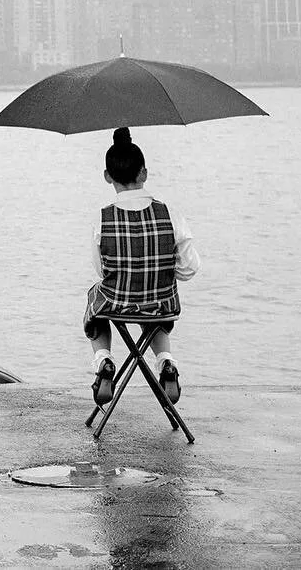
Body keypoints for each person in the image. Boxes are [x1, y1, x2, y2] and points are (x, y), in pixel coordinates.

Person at [85, 127, 200, 406]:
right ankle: (166, 363)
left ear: (107, 176)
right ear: (144, 173)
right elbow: (189, 269)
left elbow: (102, 272)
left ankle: (104, 361)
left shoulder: (103, 220)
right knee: (154, 304)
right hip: (161, 304)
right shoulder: (170, 214)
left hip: (117, 304)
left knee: (94, 299)